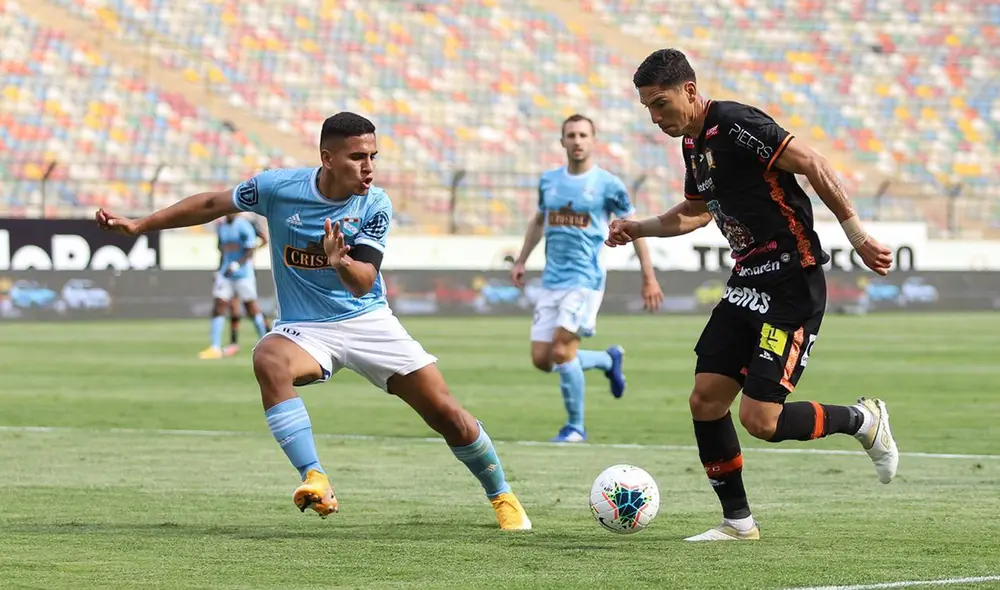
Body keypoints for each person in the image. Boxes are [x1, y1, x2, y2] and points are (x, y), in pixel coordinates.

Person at [95, 112, 531, 531]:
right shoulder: (278, 188)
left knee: (447, 415)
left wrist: (339, 260)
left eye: (373, 157)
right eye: (357, 157)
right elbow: (211, 203)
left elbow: (362, 283)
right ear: (327, 158)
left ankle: (502, 495)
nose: (369, 168)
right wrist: (140, 225)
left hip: (367, 321)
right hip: (306, 328)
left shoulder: (374, 204)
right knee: (268, 357)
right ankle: (315, 477)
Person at [606, 49, 899, 541]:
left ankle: (862, 419)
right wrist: (639, 227)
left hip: (790, 283)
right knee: (705, 399)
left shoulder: (736, 123)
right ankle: (737, 523)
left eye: (661, 104)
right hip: (747, 282)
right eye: (648, 109)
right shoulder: (694, 145)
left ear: (691, 91)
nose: (656, 118)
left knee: (760, 419)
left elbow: (813, 163)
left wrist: (857, 236)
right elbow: (697, 212)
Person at [511, 114, 663, 443]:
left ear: (593, 140)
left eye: (583, 135)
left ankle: (576, 428)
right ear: (562, 141)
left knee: (563, 350)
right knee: (542, 358)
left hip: (585, 280)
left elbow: (634, 230)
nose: (577, 140)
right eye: (571, 135)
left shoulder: (608, 185)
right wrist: (522, 260)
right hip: (552, 280)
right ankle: (608, 360)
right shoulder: (549, 181)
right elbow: (539, 221)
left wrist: (648, 277)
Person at [200, 213, 269, 359]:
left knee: (251, 308)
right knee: (219, 306)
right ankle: (215, 347)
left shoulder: (244, 226)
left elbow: (250, 250)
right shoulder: (221, 226)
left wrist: (237, 264)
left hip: (243, 274)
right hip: (226, 274)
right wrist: (219, 270)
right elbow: (222, 250)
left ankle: (267, 342)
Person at [223, 214, 271, 357]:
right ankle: (233, 343)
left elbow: (263, 239)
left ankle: (267, 334)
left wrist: (251, 251)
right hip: (231, 270)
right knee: (234, 307)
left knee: (251, 307)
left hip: (245, 270)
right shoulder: (225, 225)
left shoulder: (247, 224)